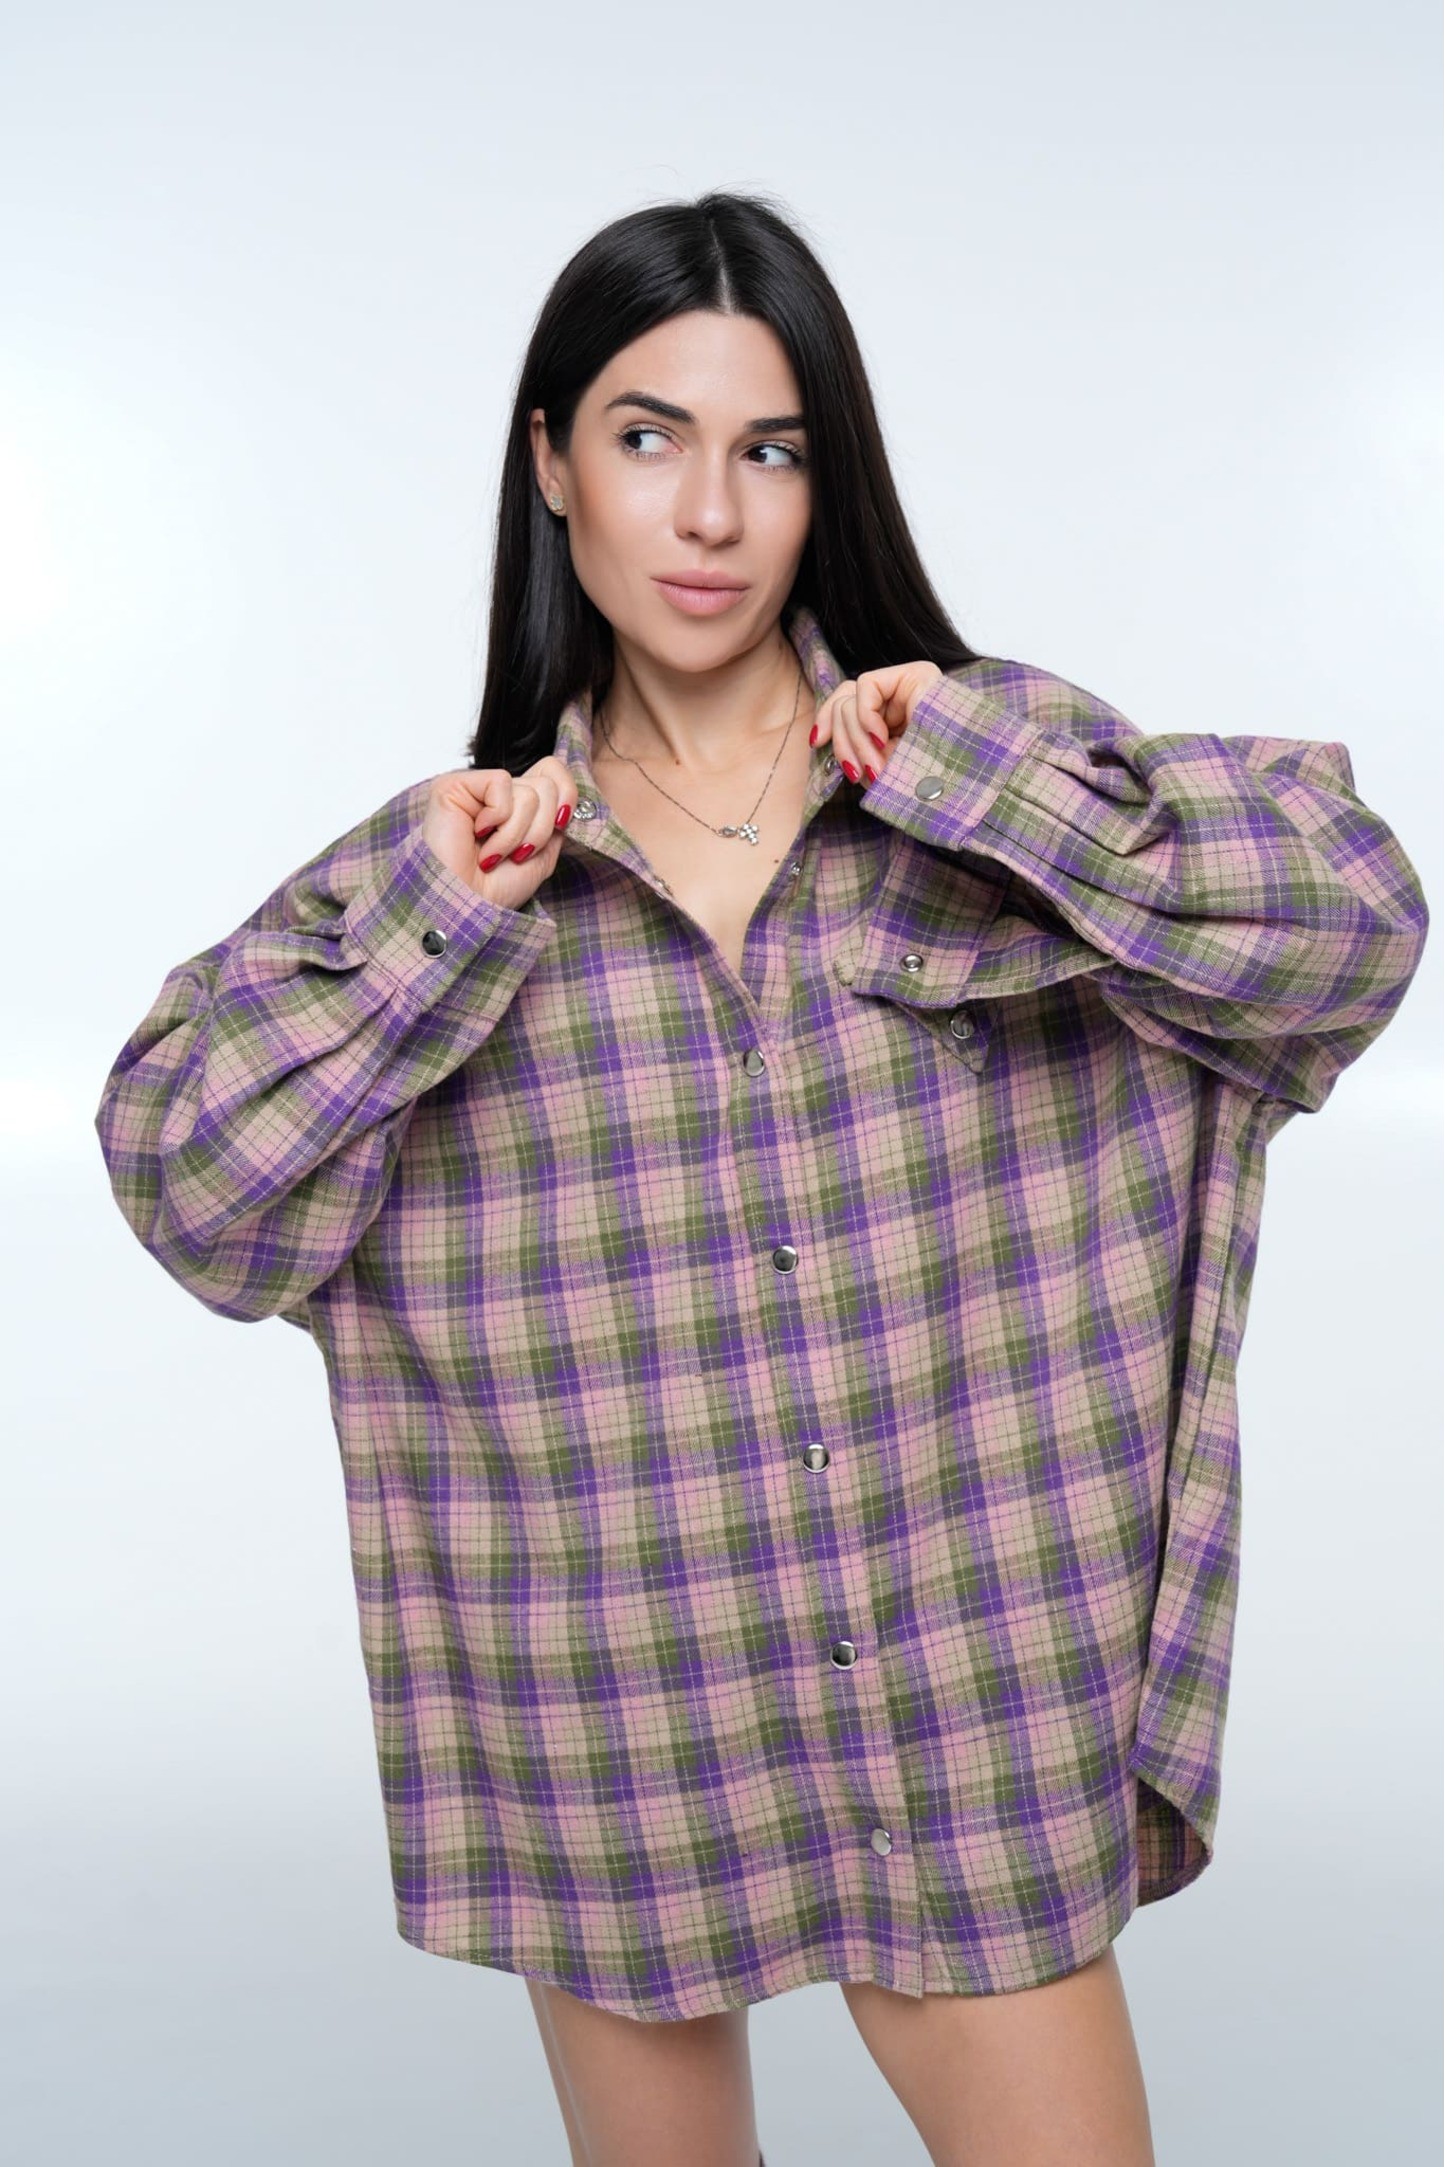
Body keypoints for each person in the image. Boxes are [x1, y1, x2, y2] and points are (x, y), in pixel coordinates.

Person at [94, 190, 1429, 2167]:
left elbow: (1352, 931)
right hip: (617, 1708)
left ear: (827, 485)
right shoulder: (449, 872)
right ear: (553, 464)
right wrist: (432, 941)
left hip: (971, 1696)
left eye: (771, 450)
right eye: (649, 437)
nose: (710, 512)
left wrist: (980, 782)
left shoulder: (984, 778)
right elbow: (192, 1194)